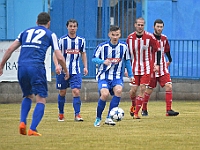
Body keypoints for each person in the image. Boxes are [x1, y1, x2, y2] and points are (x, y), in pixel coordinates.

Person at [0, 12, 69, 136]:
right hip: (36, 67)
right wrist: (66, 70)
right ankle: (32, 128)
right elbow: (59, 56)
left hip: (21, 67)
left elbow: (10, 49)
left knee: (27, 96)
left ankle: (22, 122)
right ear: (49, 23)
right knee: (41, 99)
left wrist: (1, 65)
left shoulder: (25, 32)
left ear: (36, 22)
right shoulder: (50, 34)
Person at [92, 25, 134, 127]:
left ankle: (109, 118)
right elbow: (93, 59)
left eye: (117, 35)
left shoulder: (124, 47)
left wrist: (131, 75)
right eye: (113, 35)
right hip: (104, 77)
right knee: (105, 94)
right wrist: (103, 61)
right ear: (109, 34)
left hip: (117, 77)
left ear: (120, 35)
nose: (115, 37)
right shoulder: (102, 47)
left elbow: (127, 61)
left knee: (119, 91)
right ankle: (98, 118)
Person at [141, 19, 179, 116]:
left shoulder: (164, 38)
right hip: (151, 67)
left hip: (162, 66)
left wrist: (169, 60)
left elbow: (166, 50)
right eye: (157, 26)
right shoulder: (149, 38)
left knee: (169, 85)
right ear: (153, 27)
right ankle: (144, 109)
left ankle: (168, 110)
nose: (159, 28)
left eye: (161, 27)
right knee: (149, 89)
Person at [53, 19, 88, 122]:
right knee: (62, 92)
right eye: (71, 26)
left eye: (74, 26)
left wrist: (85, 66)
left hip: (75, 71)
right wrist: (57, 66)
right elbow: (55, 54)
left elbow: (83, 53)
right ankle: (61, 114)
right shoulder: (62, 40)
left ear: (77, 27)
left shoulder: (81, 40)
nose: (72, 28)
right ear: (67, 27)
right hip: (63, 71)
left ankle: (77, 114)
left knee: (76, 91)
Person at [126, 17, 161, 119]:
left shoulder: (150, 37)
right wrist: (126, 69)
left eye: (142, 25)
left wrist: (157, 64)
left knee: (142, 88)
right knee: (133, 90)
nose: (140, 27)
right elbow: (126, 54)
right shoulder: (130, 38)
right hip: (134, 67)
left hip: (146, 67)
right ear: (135, 25)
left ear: (144, 26)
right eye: (138, 25)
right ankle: (133, 104)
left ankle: (136, 113)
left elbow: (158, 49)